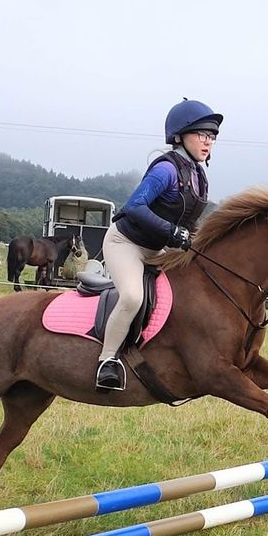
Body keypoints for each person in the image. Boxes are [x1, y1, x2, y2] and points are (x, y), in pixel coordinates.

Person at [95, 98, 221, 391]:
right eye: (201, 134)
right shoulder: (166, 170)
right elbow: (134, 207)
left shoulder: (199, 176)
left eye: (212, 137)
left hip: (157, 247)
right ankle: (107, 360)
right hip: (125, 243)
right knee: (132, 297)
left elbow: (187, 222)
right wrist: (174, 233)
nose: (208, 142)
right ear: (180, 136)